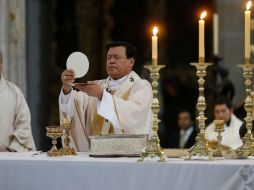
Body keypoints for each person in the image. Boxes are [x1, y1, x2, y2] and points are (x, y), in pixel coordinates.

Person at [59, 41, 153, 151]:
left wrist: (102, 95)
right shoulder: (98, 86)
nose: (111, 61)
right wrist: (67, 87)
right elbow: (74, 107)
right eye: (109, 58)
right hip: (95, 155)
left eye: (117, 58)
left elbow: (136, 115)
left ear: (131, 61)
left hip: (125, 157)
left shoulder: (141, 86)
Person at [0, 51, 35, 152]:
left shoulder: (14, 93)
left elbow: (23, 128)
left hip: (7, 160)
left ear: (1, 63)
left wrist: (9, 149)